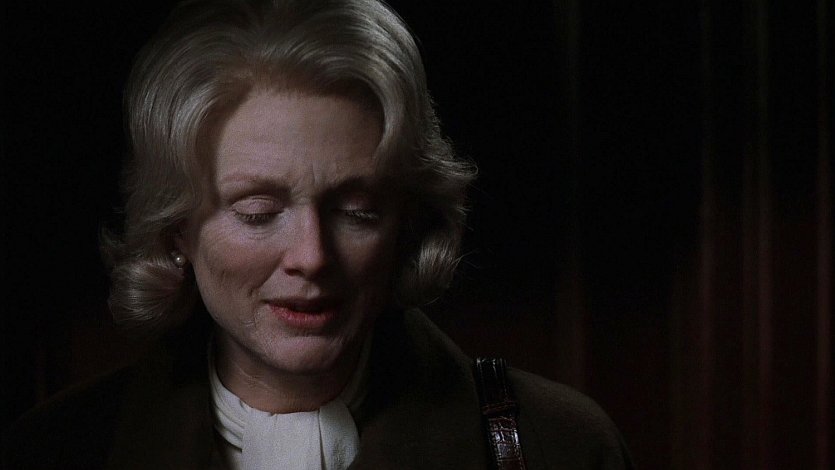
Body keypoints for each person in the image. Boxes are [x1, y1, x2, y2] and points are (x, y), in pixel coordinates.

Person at [4, 0, 633, 468]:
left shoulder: (560, 447)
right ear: (176, 230)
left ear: (407, 219)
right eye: (257, 212)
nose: (312, 256)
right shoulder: (55, 452)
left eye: (356, 211)